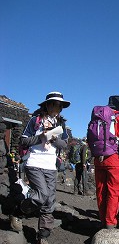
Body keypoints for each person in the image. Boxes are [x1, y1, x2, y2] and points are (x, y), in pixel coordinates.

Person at [18, 91, 70, 244]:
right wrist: (41, 137)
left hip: (50, 165)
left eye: (60, 105)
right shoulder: (35, 120)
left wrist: (53, 138)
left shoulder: (61, 124)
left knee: (49, 200)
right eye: (54, 104)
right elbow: (23, 140)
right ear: (47, 105)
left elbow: (64, 144)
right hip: (34, 163)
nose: (57, 107)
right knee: (42, 195)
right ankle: (19, 210)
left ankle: (43, 235)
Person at [93, 95, 119, 229]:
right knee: (113, 191)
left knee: (101, 189)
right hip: (114, 158)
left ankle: (103, 220)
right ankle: (110, 222)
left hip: (98, 158)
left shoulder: (98, 117)